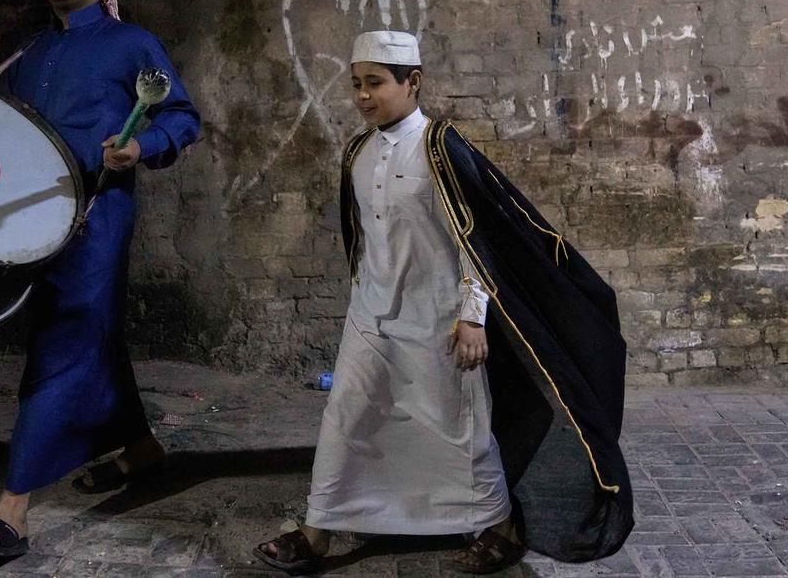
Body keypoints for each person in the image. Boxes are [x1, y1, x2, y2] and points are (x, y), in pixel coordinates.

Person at [254, 31, 633, 574]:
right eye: (357, 84)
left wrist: (472, 316)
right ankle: (317, 531)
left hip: (439, 318)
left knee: (458, 427)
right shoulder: (358, 152)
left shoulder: (441, 149)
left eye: (376, 83)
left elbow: (476, 243)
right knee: (346, 416)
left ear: (413, 82)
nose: (363, 96)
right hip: (370, 315)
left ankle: (499, 527)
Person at [0, 0, 200, 558]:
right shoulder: (31, 54)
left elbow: (182, 117)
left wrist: (141, 146)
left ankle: (13, 507)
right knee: (88, 330)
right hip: (32, 220)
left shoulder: (132, 45)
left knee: (63, 337)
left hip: (96, 215)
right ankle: (143, 448)